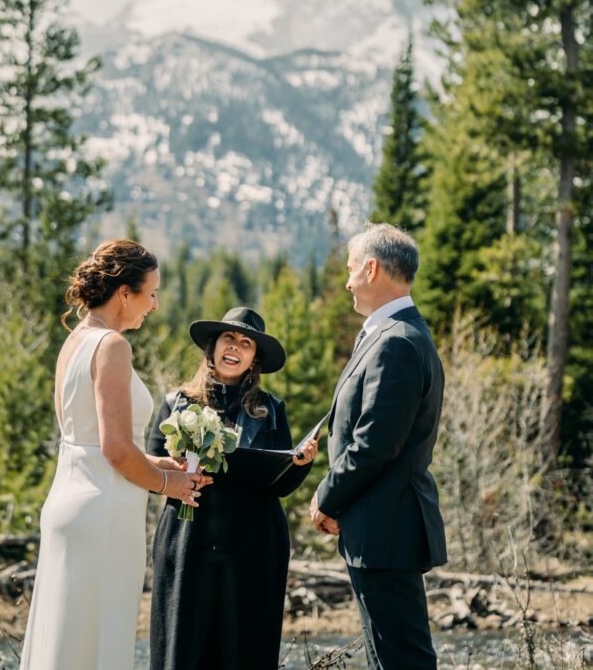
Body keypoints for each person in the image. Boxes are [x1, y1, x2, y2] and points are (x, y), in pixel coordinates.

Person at [19, 239, 207, 670]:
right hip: (103, 513)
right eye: (152, 293)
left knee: (67, 641)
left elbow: (88, 442)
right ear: (125, 293)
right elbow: (117, 451)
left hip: (70, 503)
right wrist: (168, 484)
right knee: (98, 643)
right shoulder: (112, 346)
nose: (155, 305)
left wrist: (159, 463)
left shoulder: (75, 341)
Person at [148, 306, 318, 670]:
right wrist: (176, 472)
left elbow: (281, 483)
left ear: (254, 359)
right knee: (183, 652)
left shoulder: (272, 410)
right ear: (213, 347)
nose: (235, 347)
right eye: (229, 338)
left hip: (252, 547)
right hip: (186, 543)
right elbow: (149, 471)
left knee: (243, 653)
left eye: (246, 343)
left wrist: (301, 464)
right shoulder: (175, 403)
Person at [310, 223, 447, 670]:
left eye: (351, 270)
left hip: (387, 528)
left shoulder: (398, 343)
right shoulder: (393, 336)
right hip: (378, 528)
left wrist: (327, 498)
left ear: (372, 269)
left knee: (402, 659)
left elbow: (373, 444)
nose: (347, 282)